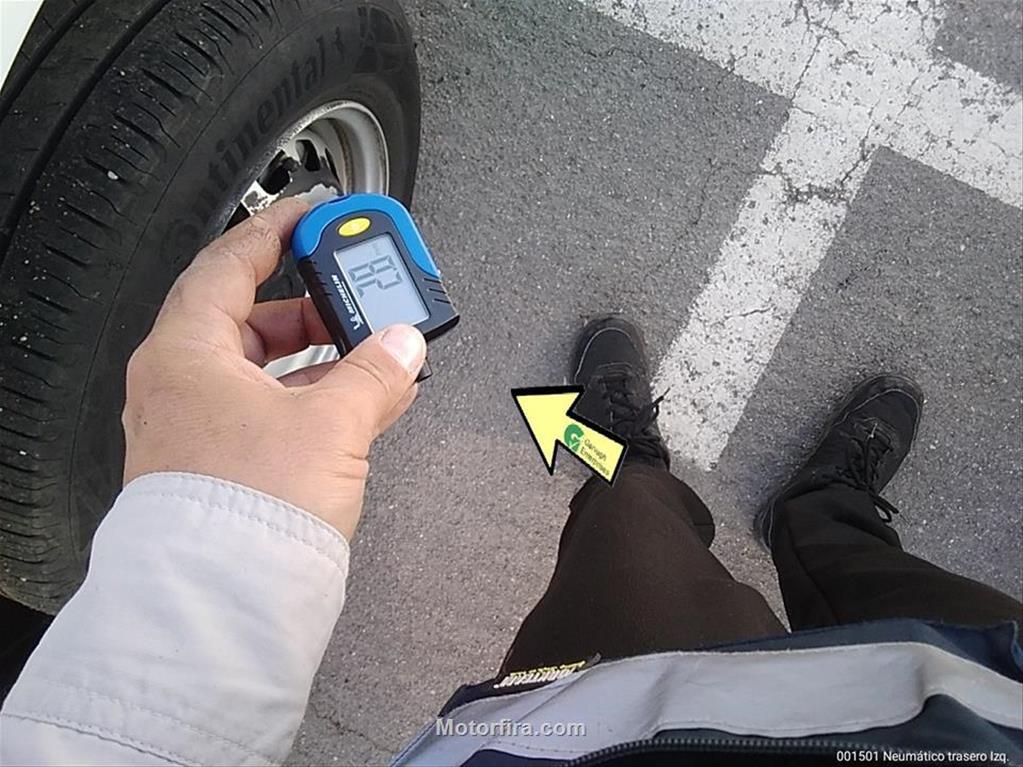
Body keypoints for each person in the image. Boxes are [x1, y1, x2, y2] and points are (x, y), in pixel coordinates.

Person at [0, 200, 1020, 766]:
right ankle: (815, 513)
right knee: (857, 575)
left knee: (627, 531)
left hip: (608, 731)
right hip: (992, 688)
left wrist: (217, 527)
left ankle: (632, 467)